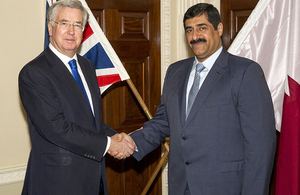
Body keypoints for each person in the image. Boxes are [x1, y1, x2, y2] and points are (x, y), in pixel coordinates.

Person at [128, 3, 276, 195]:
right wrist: (130, 142)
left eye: (202, 28)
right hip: (181, 185)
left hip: (225, 187)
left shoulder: (245, 72)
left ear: (219, 28)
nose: (195, 36)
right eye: (189, 30)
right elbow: (165, 121)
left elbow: (260, 147)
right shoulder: (175, 71)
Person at [18, 0, 134, 194]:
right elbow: (56, 128)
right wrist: (108, 144)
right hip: (57, 183)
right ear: (50, 27)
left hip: (93, 178)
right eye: (64, 23)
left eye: (77, 25)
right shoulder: (34, 72)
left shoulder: (88, 67)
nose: (71, 31)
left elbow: (89, 121)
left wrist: (114, 136)